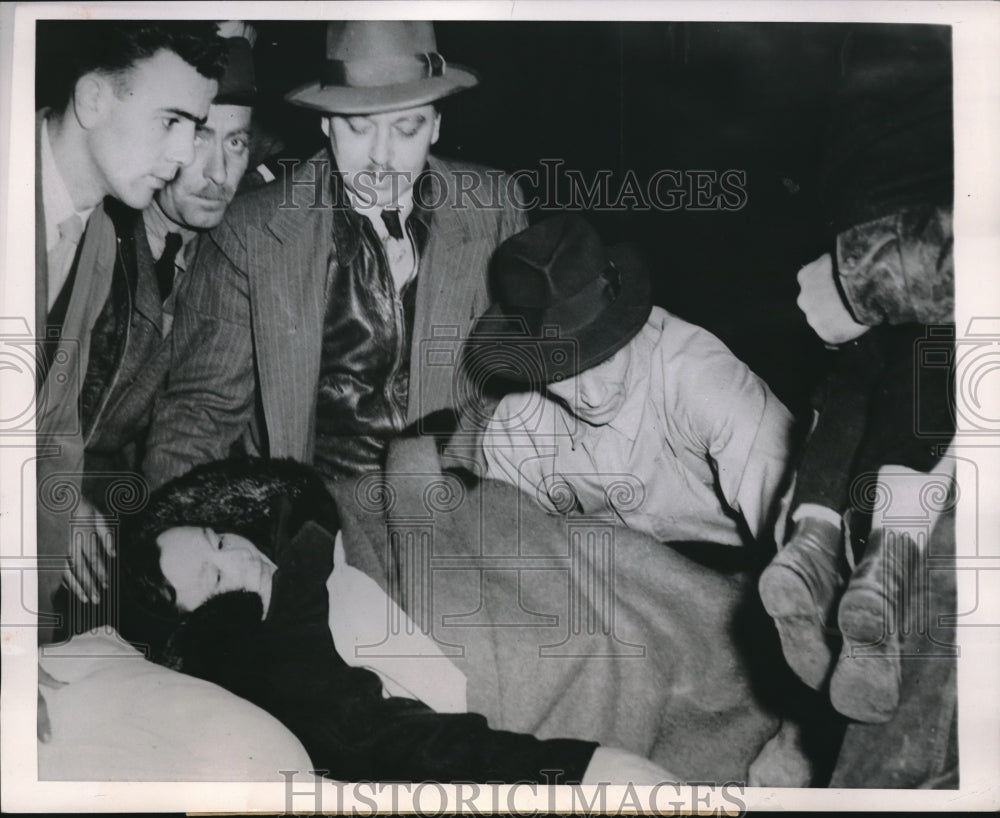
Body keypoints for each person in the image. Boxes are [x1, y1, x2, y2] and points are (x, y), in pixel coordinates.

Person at [142, 20, 528, 491]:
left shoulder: (494, 207)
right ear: (325, 122)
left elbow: (517, 384)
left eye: (407, 128)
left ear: (437, 125)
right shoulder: (249, 234)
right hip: (314, 524)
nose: (381, 157)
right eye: (359, 127)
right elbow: (200, 413)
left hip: (454, 508)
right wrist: (174, 533)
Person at [118, 458, 671, 784]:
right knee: (607, 636)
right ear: (215, 628)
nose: (239, 557)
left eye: (218, 538)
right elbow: (407, 744)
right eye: (215, 580)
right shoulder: (284, 660)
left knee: (604, 562)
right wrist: (577, 769)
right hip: (498, 634)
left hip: (438, 532)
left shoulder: (292, 526)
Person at [756, 24, 955, 725]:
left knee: (848, 380)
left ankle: (811, 539)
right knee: (932, 367)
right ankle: (890, 557)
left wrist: (851, 265)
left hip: (857, 209)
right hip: (926, 232)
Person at [34, 21, 227, 639]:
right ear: (93, 98)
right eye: (170, 121)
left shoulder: (91, 234)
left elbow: (55, 427)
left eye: (194, 129)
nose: (184, 156)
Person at [474, 214, 795, 551]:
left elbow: (797, 545)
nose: (594, 397)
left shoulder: (704, 381)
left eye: (606, 358)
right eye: (562, 374)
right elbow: (509, 555)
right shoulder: (519, 429)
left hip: (739, 576)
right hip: (613, 585)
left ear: (627, 326)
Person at [78, 24, 259, 598]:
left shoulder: (237, 256)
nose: (217, 173)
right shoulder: (93, 230)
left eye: (237, 143)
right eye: (201, 136)